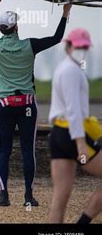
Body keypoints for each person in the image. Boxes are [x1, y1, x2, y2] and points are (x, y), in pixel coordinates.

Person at [0, 0, 71, 207]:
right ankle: (28, 195)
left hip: (4, 105)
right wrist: (65, 13)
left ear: (2, 29)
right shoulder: (29, 45)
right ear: (16, 27)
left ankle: (4, 196)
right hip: (27, 105)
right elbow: (57, 37)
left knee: (4, 150)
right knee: (26, 150)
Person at [48, 28, 102, 223]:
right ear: (69, 47)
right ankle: (82, 224)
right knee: (60, 195)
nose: (82, 50)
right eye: (79, 47)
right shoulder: (72, 70)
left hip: (58, 134)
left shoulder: (63, 68)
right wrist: (80, 144)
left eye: (85, 47)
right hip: (73, 134)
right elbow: (74, 110)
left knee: (60, 196)